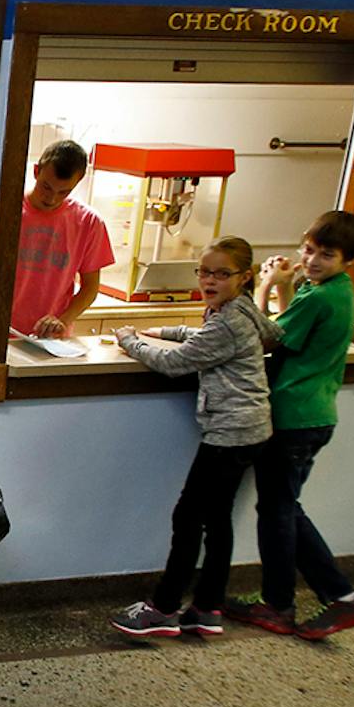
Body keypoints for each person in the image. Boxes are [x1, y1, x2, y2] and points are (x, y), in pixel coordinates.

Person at [111, 237, 277, 640]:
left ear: (245, 276)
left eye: (222, 274)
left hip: (230, 434)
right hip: (252, 429)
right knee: (217, 522)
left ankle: (164, 608)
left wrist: (130, 340)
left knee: (188, 518)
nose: (210, 280)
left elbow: (175, 363)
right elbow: (214, 335)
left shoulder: (229, 321)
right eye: (204, 272)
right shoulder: (240, 312)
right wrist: (161, 328)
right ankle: (207, 606)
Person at [229, 211, 354, 640]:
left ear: (348, 258)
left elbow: (262, 336)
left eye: (326, 255)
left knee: (280, 513)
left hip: (293, 417)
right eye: (309, 250)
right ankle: (309, 599)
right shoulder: (335, 291)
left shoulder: (317, 296)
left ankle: (320, 599)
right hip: (315, 414)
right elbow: (292, 331)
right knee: (283, 509)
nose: (312, 260)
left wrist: (260, 287)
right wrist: (284, 288)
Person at [9, 140, 113, 339]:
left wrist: (63, 320)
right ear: (36, 171)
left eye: (63, 192)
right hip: (1, 334)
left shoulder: (88, 222)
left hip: (51, 339)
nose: (51, 199)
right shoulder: (8, 211)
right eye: (46, 187)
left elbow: (90, 287)